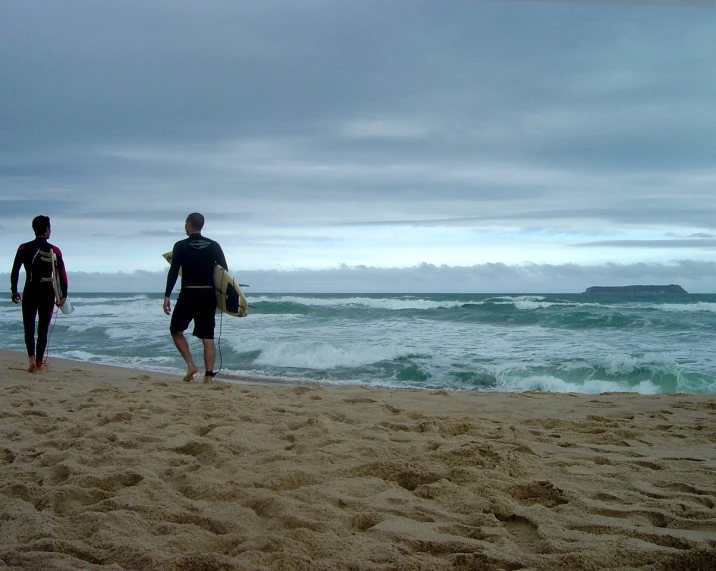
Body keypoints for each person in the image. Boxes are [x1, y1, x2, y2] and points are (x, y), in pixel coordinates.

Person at [163, 213, 228, 383]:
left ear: (189, 224)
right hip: (208, 295)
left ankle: (191, 365)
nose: (185, 226)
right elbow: (223, 273)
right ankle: (209, 377)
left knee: (176, 330)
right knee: (208, 337)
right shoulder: (214, 245)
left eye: (186, 224)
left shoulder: (181, 246)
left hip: (188, 294)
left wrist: (167, 295)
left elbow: (173, 272)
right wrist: (224, 299)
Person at [10, 215, 68, 373]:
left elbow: (15, 270)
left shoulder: (23, 248)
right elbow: (62, 274)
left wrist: (14, 290)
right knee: (42, 330)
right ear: (47, 229)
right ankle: (39, 363)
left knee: (28, 328)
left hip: (29, 290)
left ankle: (30, 359)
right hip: (47, 292)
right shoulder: (54, 250)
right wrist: (63, 295)